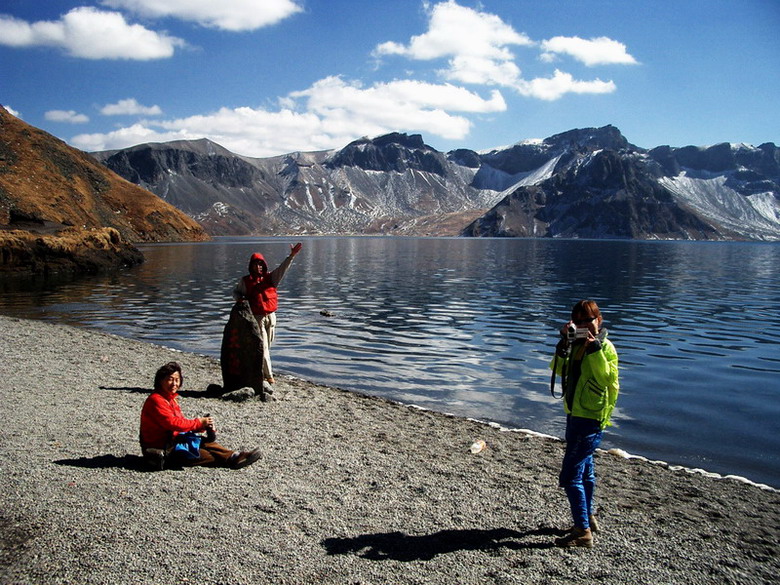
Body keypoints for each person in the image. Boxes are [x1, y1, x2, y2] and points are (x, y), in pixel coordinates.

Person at [550, 300, 620, 548]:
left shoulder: (606, 348)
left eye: (588, 321)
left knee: (571, 475)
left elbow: (606, 378)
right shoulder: (574, 344)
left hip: (590, 417)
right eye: (577, 322)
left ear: (598, 321)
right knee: (586, 469)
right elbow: (558, 370)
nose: (583, 326)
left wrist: (595, 350)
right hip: (576, 412)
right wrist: (563, 345)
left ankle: (582, 531)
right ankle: (588, 517)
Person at [139, 361, 261, 471]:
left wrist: (203, 426)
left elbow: (181, 423)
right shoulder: (156, 400)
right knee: (204, 454)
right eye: (170, 379)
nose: (174, 383)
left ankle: (235, 455)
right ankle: (232, 459)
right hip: (162, 448)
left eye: (177, 380)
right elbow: (173, 423)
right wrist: (199, 422)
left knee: (205, 442)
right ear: (160, 380)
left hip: (173, 441)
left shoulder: (170, 399)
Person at [232, 243, 302, 385]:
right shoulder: (245, 281)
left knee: (267, 346)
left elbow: (283, 268)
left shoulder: (271, 278)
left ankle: (258, 370)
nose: (258, 267)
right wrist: (239, 299)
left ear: (264, 265)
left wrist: (292, 256)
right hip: (256, 318)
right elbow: (236, 292)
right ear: (251, 266)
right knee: (262, 347)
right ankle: (269, 377)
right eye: (255, 264)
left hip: (271, 317)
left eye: (260, 264)